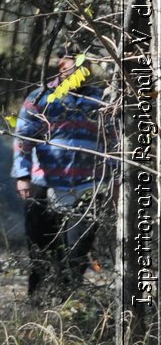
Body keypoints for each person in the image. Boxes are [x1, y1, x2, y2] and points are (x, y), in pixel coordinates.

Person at [12, 55, 110, 304]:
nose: (80, 70)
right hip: (44, 185)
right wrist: (22, 175)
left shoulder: (102, 99)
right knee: (41, 249)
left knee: (77, 252)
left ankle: (66, 306)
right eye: (73, 65)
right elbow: (23, 137)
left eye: (84, 65)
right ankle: (37, 303)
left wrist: (116, 179)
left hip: (87, 188)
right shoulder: (40, 97)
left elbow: (115, 140)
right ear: (61, 68)